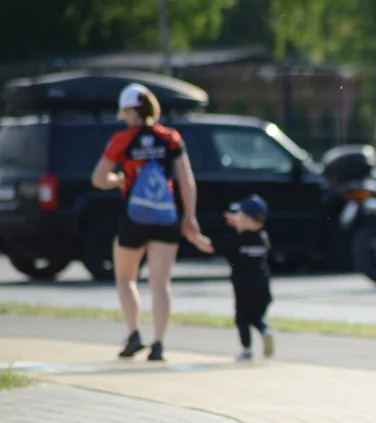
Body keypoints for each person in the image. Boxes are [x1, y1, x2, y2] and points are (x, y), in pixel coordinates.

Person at [91, 83, 199, 362]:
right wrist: (190, 216)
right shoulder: (171, 138)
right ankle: (159, 343)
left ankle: (133, 334)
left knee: (125, 277)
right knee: (161, 283)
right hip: (167, 215)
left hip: (134, 216)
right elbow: (186, 180)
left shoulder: (122, 139)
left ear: (129, 110)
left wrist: (118, 180)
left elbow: (98, 179)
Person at [189, 195, 275, 361]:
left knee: (242, 318)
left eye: (239, 215)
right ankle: (265, 330)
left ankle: (247, 349)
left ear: (245, 218)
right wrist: (239, 223)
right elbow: (250, 234)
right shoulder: (263, 239)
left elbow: (210, 246)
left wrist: (194, 237)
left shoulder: (236, 241)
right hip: (263, 288)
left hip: (243, 288)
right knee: (257, 317)